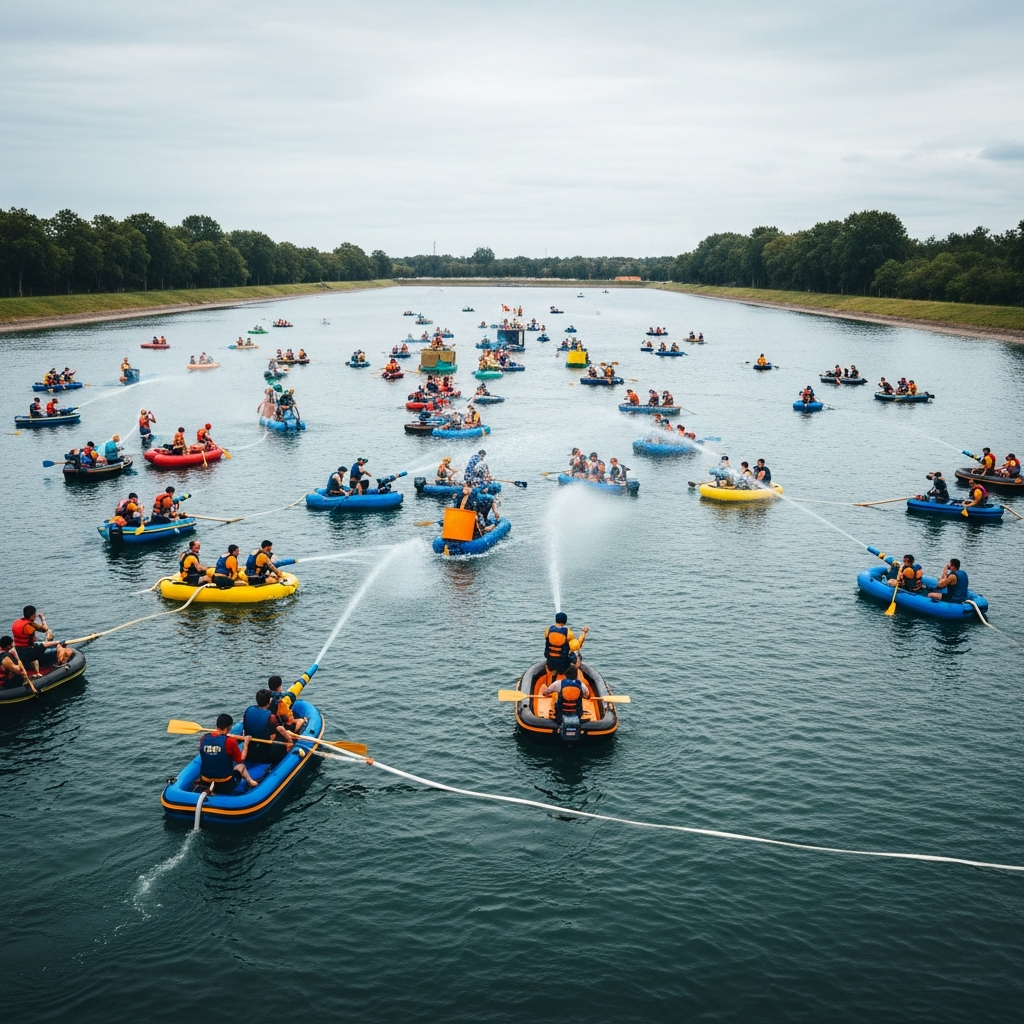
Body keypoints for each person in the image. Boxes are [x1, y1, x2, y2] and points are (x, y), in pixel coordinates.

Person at [199, 714, 256, 792]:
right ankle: (252, 782)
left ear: (216, 725)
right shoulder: (230, 741)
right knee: (241, 766)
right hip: (225, 784)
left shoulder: (203, 738)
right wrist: (246, 742)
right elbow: (241, 759)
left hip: (205, 782)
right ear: (229, 728)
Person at [243, 689, 296, 764]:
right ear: (270, 701)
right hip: (265, 755)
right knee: (282, 738)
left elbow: (244, 729)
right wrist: (290, 741)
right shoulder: (270, 717)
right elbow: (281, 729)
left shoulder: (248, 710)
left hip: (250, 751)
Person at [544, 614, 587, 681]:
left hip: (550, 663)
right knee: (577, 654)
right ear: (565, 621)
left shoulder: (548, 630)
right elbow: (577, 645)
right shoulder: (568, 632)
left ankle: (553, 674)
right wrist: (584, 632)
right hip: (563, 666)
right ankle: (575, 673)